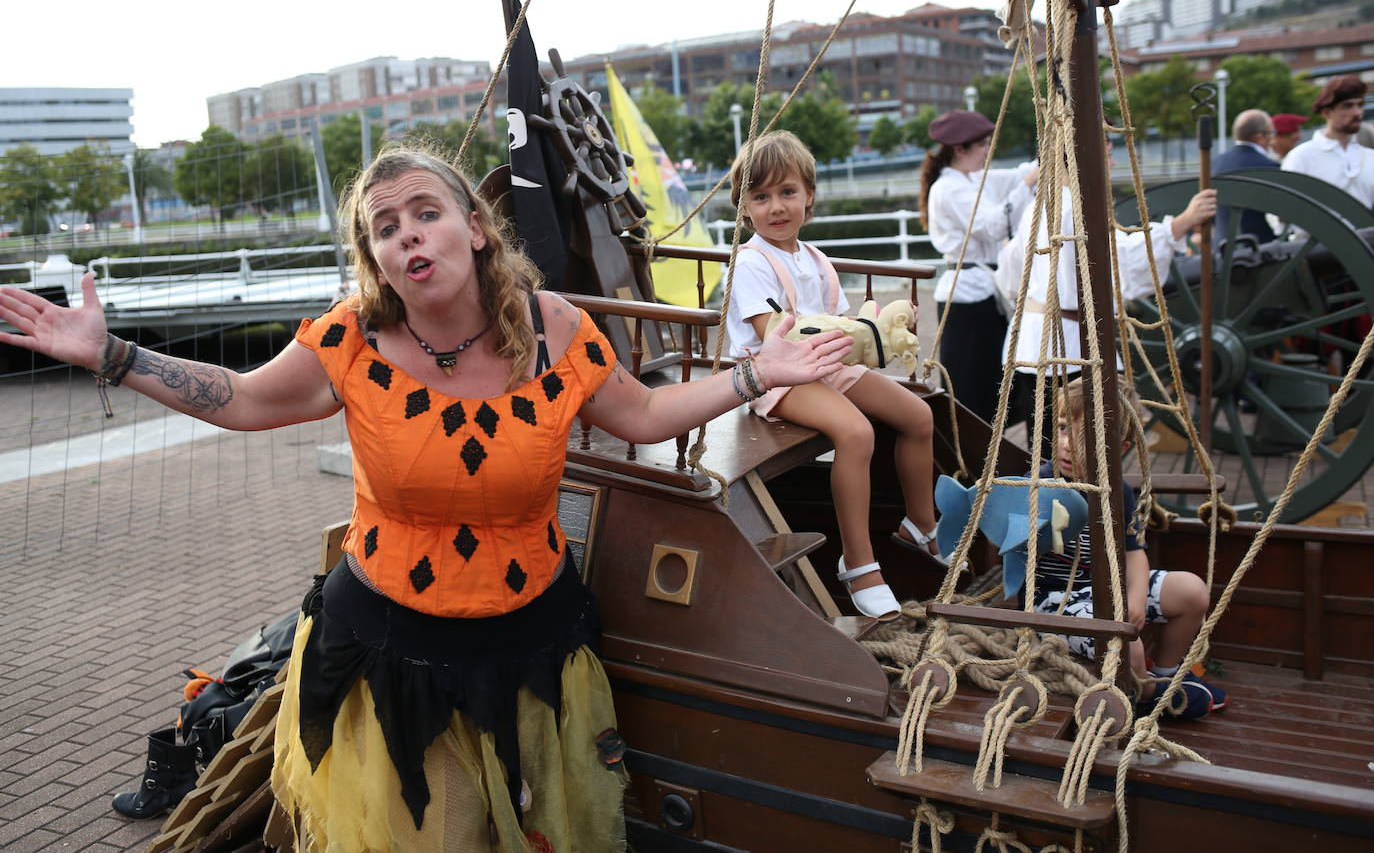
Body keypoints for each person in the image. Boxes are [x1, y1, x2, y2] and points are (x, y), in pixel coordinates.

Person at [0, 143, 853, 852]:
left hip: (534, 651)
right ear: (373, 258)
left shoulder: (556, 329)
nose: (408, 235)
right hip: (391, 658)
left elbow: (646, 412)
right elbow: (249, 399)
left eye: (425, 212)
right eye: (384, 228)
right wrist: (118, 357)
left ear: (475, 230)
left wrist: (753, 374)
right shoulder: (351, 338)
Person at [725, 130, 940, 620]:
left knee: (918, 415)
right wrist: (857, 336)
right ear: (744, 208)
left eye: (787, 193)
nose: (776, 207)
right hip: (775, 375)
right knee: (856, 431)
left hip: (826, 367)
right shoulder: (751, 263)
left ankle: (921, 526)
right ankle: (859, 561)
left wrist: (881, 326)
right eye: (760, 197)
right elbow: (778, 335)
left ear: (809, 197)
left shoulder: (816, 260)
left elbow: (844, 330)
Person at [1036, 377, 1227, 719]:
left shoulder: (1118, 492)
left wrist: (1135, 599)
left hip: (1107, 589)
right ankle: (1149, 695)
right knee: (1126, 644)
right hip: (1054, 601)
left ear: (1119, 448)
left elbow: (1133, 551)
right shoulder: (1039, 486)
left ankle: (1168, 671)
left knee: (1192, 591)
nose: (1067, 445)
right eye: (1064, 429)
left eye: (1086, 437)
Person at [1000, 163, 1216, 459]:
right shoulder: (1075, 207)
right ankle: (1075, 503)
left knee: (1047, 446)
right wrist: (1181, 223)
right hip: (1067, 346)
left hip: (1034, 340)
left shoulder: (1038, 206)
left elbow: (1010, 269)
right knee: (1076, 447)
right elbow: (1119, 262)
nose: (1111, 163)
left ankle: (1055, 502)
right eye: (1108, 152)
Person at [919, 109, 1038, 423]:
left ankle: (989, 451)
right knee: (973, 388)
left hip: (981, 291)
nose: (989, 150)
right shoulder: (950, 188)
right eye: (983, 145)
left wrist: (1042, 163)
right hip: (968, 297)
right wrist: (1028, 181)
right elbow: (992, 226)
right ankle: (975, 458)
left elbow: (1014, 177)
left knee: (988, 382)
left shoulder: (971, 179)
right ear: (960, 150)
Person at [1282, 75, 1374, 210]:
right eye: (1347, 106)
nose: (1357, 112)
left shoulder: (1370, 156)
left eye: (1360, 105)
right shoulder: (1302, 157)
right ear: (1326, 112)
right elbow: (1284, 209)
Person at [1212, 109, 1276, 245]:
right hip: (1258, 245)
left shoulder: (1216, 162)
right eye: (1271, 133)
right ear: (1259, 136)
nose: (1272, 138)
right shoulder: (1268, 166)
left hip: (1221, 243)